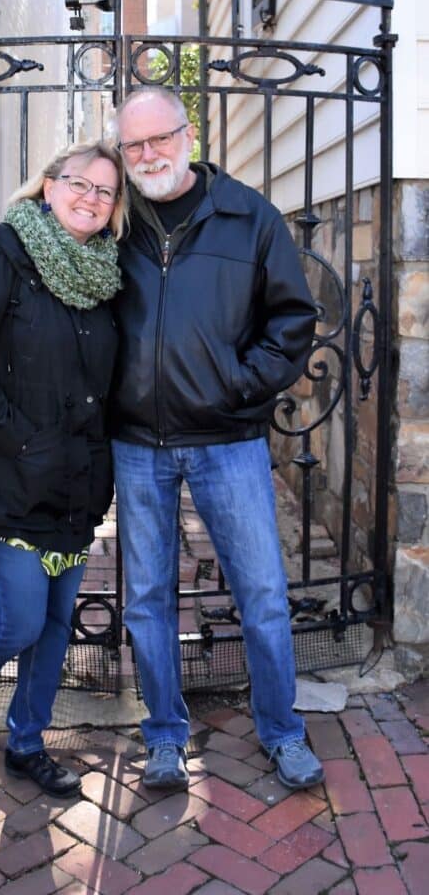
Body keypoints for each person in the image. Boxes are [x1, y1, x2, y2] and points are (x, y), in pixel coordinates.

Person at [110, 87, 324, 792]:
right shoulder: (115, 221)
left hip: (227, 439)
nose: (148, 156)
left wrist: (239, 384)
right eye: (133, 146)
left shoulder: (248, 216)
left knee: (261, 590)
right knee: (146, 597)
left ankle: (283, 730)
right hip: (138, 442)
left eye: (159, 139)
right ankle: (164, 736)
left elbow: (292, 319)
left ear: (189, 134)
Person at [0, 141, 127, 798]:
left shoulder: (105, 278)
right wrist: (24, 442)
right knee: (18, 620)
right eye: (79, 183)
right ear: (47, 186)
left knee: (55, 623)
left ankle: (26, 742)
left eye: (105, 191)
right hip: (9, 478)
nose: (90, 198)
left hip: (75, 486)